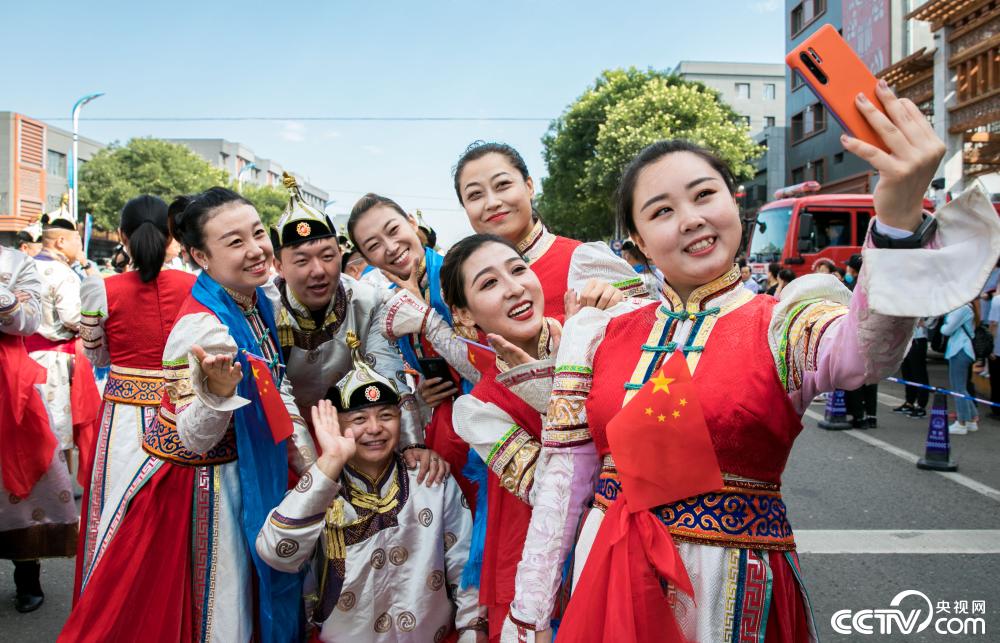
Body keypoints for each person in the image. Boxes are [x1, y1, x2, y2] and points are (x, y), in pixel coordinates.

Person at [505, 80, 999, 643]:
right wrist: (529, 615)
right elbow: (565, 484)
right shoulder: (601, 333)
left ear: (734, 203)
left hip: (731, 593)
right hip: (609, 581)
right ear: (636, 241)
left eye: (704, 195)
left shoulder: (784, 320)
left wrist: (896, 224)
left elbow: (867, 352)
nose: (690, 218)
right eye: (662, 211)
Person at [61, 187, 316, 642]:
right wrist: (217, 393)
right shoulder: (202, 325)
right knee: (219, 606)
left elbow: (275, 383)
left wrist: (311, 463)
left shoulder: (255, 301)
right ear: (199, 255)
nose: (256, 249)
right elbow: (193, 438)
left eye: (258, 233)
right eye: (235, 242)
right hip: (207, 484)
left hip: (230, 458)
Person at [257, 335, 486, 642]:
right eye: (359, 419)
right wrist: (331, 461)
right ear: (337, 424)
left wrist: (473, 631)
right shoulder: (321, 491)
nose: (375, 428)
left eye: (386, 416)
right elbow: (276, 553)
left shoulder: (431, 479)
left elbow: (464, 563)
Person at [267, 174, 445, 486]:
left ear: (342, 255)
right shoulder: (265, 308)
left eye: (327, 256)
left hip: (356, 431)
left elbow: (388, 373)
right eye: (301, 261)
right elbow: (278, 395)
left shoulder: (366, 300)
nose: (318, 271)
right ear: (279, 266)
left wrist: (412, 444)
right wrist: (316, 476)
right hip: (284, 439)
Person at [443, 234, 568, 641]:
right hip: (544, 561)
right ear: (464, 315)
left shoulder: (591, 334)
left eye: (517, 269)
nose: (514, 288)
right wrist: (550, 396)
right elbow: (550, 491)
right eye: (489, 283)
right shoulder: (476, 409)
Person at [76, 195, 196, 595]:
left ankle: (109, 596)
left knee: (115, 509)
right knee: (181, 515)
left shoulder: (100, 287)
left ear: (122, 236)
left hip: (123, 417)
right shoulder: (195, 286)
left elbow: (96, 355)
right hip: (183, 411)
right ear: (171, 237)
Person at [348, 192, 482, 507]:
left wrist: (427, 319)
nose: (390, 247)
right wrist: (423, 396)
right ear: (367, 260)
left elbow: (490, 368)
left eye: (393, 230)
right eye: (374, 245)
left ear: (412, 223)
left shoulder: (461, 273)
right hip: (446, 430)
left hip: (492, 423)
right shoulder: (389, 302)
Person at [453, 141, 645, 321]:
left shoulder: (583, 261)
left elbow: (649, 325)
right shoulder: (466, 283)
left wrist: (615, 306)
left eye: (503, 185)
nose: (492, 203)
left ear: (529, 187)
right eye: (475, 194)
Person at [0, 245, 78, 613]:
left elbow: (27, 321)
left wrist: (6, 300)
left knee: (22, 473)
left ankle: (26, 573)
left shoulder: (16, 262)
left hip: (8, 384)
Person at [26, 204, 100, 465]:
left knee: (35, 426)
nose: (79, 248)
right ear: (60, 241)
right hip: (54, 361)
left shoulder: (26, 266)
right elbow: (74, 318)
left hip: (25, 357)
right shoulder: (62, 273)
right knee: (57, 428)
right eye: (76, 241)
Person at [941, 301, 979, 434]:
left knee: (958, 388)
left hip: (959, 350)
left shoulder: (961, 308)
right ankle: (971, 419)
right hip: (962, 350)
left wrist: (945, 320)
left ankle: (961, 423)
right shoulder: (967, 307)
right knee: (961, 388)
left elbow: (946, 330)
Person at [894, 318, 931, 418]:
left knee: (918, 373)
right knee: (907, 372)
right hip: (906, 339)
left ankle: (921, 405)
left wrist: (926, 323)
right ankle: (909, 402)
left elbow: (935, 315)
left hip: (918, 339)